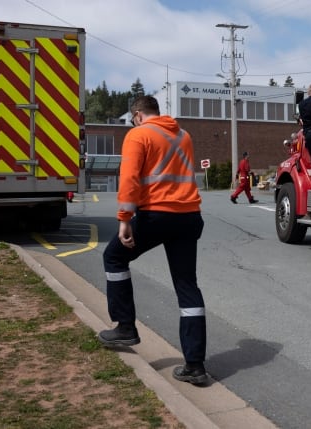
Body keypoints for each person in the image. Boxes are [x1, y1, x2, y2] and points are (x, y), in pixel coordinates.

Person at [99, 95, 208, 385]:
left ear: (137, 114)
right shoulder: (183, 134)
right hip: (189, 216)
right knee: (187, 286)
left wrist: (124, 219)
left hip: (156, 216)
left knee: (114, 256)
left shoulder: (138, 134)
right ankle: (195, 366)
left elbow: (130, 179)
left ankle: (125, 327)